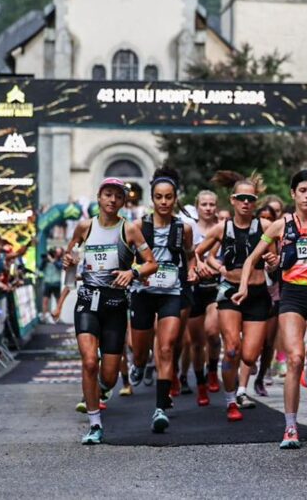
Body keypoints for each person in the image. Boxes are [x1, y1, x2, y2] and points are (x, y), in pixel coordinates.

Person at [238, 170, 307, 449]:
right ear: (293, 194)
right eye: (303, 190)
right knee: (293, 360)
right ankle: (291, 427)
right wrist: (244, 286)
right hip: (292, 296)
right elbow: (251, 259)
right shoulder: (280, 226)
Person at [62, 178, 158, 444]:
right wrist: (68, 262)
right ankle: (94, 424)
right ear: (99, 197)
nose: (112, 200)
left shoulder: (130, 230)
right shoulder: (84, 227)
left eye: (118, 196)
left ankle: (101, 390)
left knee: (109, 375)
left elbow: (152, 264)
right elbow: (69, 261)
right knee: (90, 361)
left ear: (124, 201)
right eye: (108, 195)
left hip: (115, 306)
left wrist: (133, 271)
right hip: (87, 301)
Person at [195, 172, 273, 422]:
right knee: (231, 349)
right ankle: (230, 400)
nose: (246, 203)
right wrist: (211, 267)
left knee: (249, 356)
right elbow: (198, 253)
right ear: (233, 200)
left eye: (251, 199)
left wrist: (273, 262)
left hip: (258, 293)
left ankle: (240, 386)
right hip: (229, 292)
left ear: (256, 201)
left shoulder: (265, 227)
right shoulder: (222, 228)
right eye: (241, 198)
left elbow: (277, 258)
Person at [126, 167, 194, 433]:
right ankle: (140, 364)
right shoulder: (139, 227)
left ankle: (160, 408)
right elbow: (126, 256)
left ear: (175, 198)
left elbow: (188, 255)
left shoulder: (183, 228)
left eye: (168, 197)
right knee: (141, 351)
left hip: (171, 292)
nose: (164, 202)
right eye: (159, 197)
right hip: (143, 293)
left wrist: (195, 268)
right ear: (152, 199)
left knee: (166, 348)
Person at [184, 190, 222, 405]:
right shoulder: (191, 230)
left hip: (215, 286)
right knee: (196, 343)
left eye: (212, 204)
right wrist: (196, 266)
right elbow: (187, 255)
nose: (208, 208)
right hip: (195, 288)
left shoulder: (222, 228)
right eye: (204, 204)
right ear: (197, 207)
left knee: (212, 332)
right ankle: (200, 384)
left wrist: (215, 266)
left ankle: (213, 370)